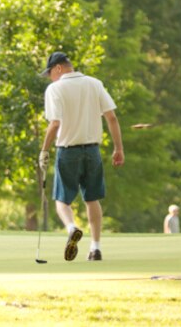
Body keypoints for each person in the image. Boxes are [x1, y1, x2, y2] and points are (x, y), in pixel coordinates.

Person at [38, 52, 124, 262]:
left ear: (58, 68)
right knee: (92, 198)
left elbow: (55, 123)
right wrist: (118, 148)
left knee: (61, 200)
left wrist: (44, 150)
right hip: (92, 150)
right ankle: (95, 248)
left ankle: (72, 227)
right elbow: (111, 117)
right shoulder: (95, 84)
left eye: (50, 72)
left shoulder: (55, 88)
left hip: (68, 150)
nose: (50, 77)